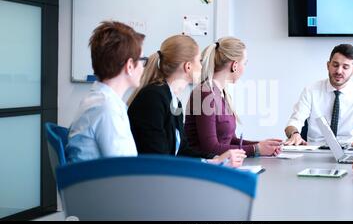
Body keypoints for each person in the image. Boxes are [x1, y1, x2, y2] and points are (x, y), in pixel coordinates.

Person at [127, 35, 246, 168]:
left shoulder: (174, 101)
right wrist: (212, 163)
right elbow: (158, 160)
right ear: (188, 67)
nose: (203, 66)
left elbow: (182, 151)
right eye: (199, 61)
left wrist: (217, 159)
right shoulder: (153, 98)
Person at [184, 37, 282, 157]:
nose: (245, 68)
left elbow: (230, 140)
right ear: (234, 65)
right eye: (244, 63)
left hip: (220, 165)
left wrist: (261, 145)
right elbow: (210, 147)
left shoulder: (221, 93)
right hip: (202, 168)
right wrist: (256, 149)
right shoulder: (205, 93)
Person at [66, 21, 146, 163]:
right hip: (104, 184)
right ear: (129, 66)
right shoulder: (106, 109)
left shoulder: (101, 100)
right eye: (140, 60)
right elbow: (124, 172)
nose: (143, 67)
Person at [285, 44, 353, 147]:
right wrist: (294, 134)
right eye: (335, 65)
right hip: (316, 150)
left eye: (345, 67)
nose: (339, 71)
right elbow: (293, 122)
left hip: (348, 148)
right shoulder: (311, 90)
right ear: (328, 65)